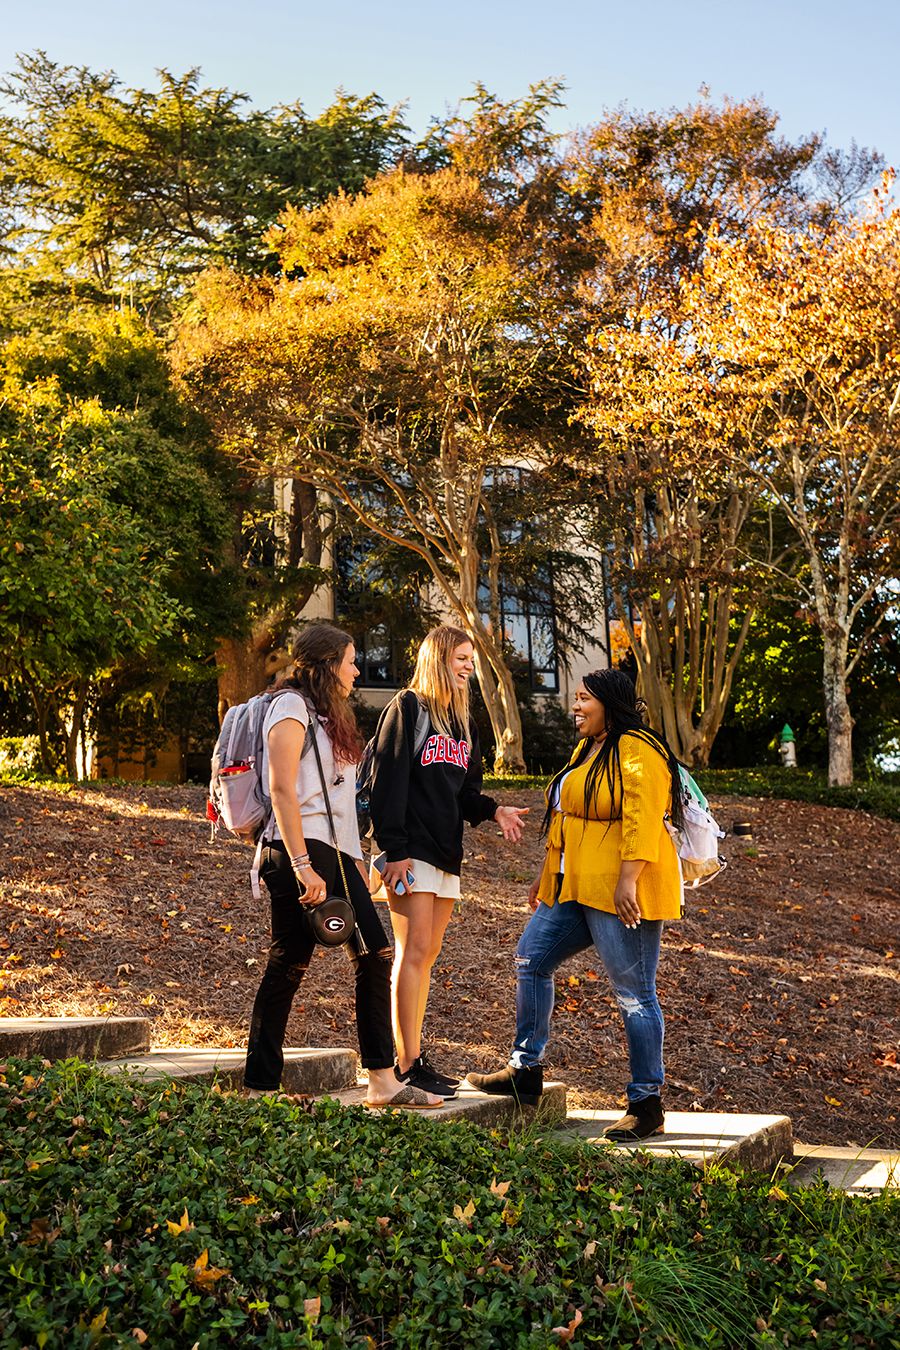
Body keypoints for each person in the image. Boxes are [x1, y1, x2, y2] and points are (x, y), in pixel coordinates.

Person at [467, 669, 685, 1139]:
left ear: (609, 702)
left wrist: (629, 879)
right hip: (575, 887)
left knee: (634, 994)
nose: (575, 706)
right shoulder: (589, 748)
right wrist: (547, 878)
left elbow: (643, 817)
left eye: (584, 698)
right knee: (531, 958)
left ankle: (646, 1103)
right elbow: (566, 820)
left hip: (620, 889)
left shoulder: (638, 748)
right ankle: (526, 1071)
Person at [243, 623, 441, 1109]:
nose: (357, 669)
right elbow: (284, 790)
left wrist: (355, 863)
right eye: (351, 660)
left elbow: (339, 802)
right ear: (328, 664)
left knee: (373, 955)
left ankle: (380, 1079)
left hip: (333, 853)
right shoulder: (289, 708)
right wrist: (302, 864)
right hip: (298, 849)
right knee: (289, 963)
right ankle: (260, 1084)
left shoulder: (331, 717)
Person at [369, 625, 529, 1097]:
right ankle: (406, 1063)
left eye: (470, 660)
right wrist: (392, 851)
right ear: (438, 658)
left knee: (429, 954)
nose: (467, 666)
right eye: (460, 657)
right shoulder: (407, 708)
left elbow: (466, 794)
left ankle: (414, 1056)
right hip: (409, 851)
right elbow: (386, 781)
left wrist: (493, 810)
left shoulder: (465, 724)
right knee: (412, 951)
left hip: (446, 854)